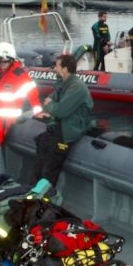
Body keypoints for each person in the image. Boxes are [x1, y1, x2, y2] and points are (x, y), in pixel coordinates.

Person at [30, 54, 95, 187]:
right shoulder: (62, 84)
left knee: (49, 168)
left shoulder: (76, 87)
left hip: (69, 130)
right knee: (39, 161)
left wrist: (50, 106)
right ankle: (33, 196)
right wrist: (51, 105)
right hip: (59, 125)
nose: (54, 68)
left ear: (65, 69)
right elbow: (50, 100)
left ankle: (45, 199)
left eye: (57, 66)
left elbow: (61, 110)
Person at [0, 41, 42, 144]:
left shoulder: (20, 76)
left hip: (7, 123)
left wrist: (38, 113)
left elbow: (33, 95)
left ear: (4, 57)